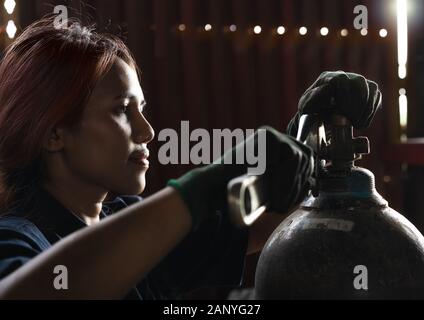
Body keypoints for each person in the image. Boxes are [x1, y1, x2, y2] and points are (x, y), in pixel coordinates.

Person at [0, 16, 381, 300]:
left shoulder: (124, 223)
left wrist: (306, 135)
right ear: (53, 133)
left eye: (142, 109)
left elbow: (262, 221)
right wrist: (204, 187)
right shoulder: (15, 236)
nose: (147, 131)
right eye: (121, 110)